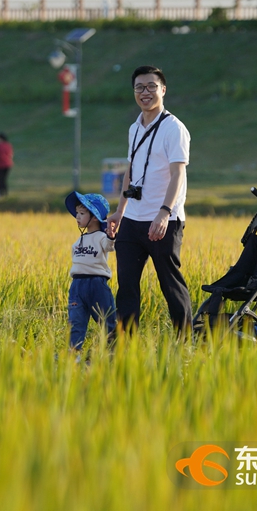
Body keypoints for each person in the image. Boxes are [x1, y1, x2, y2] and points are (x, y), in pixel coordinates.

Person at [106, 65, 192, 336]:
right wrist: (121, 210)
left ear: (163, 90)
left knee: (170, 283)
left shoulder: (174, 128)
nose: (145, 92)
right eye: (139, 87)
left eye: (151, 87)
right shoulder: (135, 127)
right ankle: (124, 346)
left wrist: (164, 213)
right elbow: (130, 171)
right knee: (127, 285)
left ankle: (185, 340)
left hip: (163, 221)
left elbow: (178, 174)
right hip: (132, 220)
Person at [65, 191, 117, 351]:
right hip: (77, 286)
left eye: (82, 213)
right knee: (76, 321)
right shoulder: (78, 241)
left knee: (106, 320)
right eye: (77, 213)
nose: (77, 217)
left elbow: (110, 246)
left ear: (94, 217)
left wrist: (111, 235)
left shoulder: (101, 237)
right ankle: (73, 352)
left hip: (97, 285)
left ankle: (113, 352)